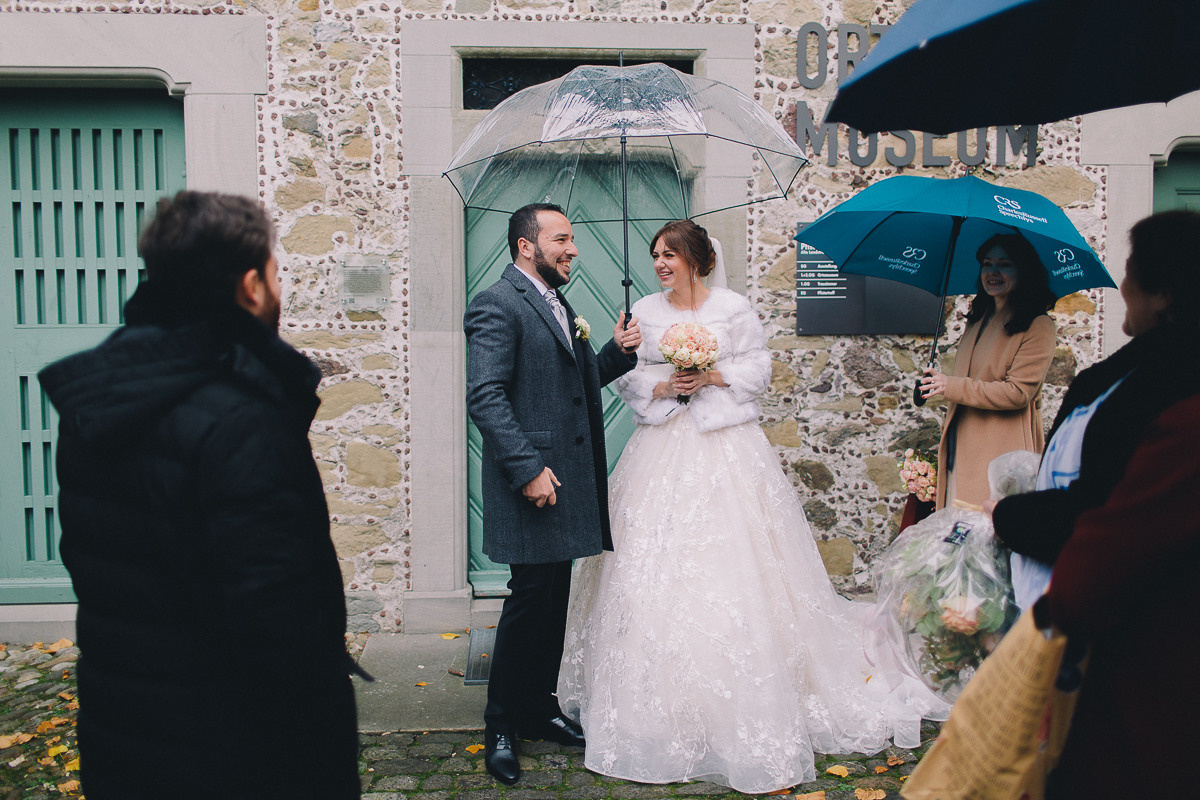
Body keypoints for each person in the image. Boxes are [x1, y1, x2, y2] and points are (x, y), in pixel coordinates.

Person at [558, 220, 950, 793]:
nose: (661, 264)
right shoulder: (643, 309)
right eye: (656, 256)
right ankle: (656, 704)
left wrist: (710, 374)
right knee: (648, 568)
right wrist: (666, 386)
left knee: (735, 563)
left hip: (727, 447)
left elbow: (760, 369)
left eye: (670, 255)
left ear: (697, 259)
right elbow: (631, 377)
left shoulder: (734, 308)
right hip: (662, 444)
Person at [37, 192, 362, 800]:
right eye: (273, 272)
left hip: (126, 728)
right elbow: (278, 627)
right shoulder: (242, 416)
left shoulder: (102, 398)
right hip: (234, 752)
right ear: (250, 286)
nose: (278, 289)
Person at [989, 210, 1200, 798]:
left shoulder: (1165, 393)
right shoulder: (1135, 375)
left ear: (1163, 291)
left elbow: (1106, 520)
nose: (1121, 284)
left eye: (1129, 271)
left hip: (1138, 649)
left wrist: (1009, 516)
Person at [464, 202, 642, 785]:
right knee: (527, 600)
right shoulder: (497, 302)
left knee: (552, 600)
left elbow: (574, 380)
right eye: (561, 239)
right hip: (534, 482)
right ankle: (499, 725)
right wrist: (528, 468)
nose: (572, 250)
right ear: (526, 245)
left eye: (572, 239)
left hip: (567, 481)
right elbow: (486, 395)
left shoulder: (555, 301)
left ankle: (539, 711)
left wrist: (616, 351)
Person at [920, 233, 1058, 508]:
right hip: (963, 447)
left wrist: (951, 386)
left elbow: (1018, 393)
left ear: (1023, 270)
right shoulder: (979, 318)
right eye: (987, 264)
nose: (992, 272)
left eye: (1004, 264)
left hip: (1000, 453)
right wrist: (938, 383)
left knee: (989, 539)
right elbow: (971, 380)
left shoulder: (1038, 325)